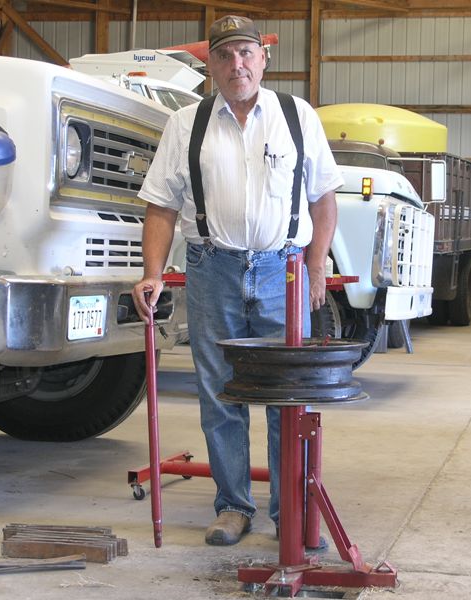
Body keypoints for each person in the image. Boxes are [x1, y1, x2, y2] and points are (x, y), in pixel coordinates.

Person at [132, 14, 343, 546]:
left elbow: (323, 198)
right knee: (221, 391)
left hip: (284, 270)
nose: (237, 64)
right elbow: (160, 205)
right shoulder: (187, 124)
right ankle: (232, 506)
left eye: (246, 53)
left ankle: (289, 510)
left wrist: (317, 262)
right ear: (211, 65)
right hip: (213, 269)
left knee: (284, 392)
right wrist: (152, 275)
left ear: (263, 58)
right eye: (224, 56)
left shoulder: (297, 117)